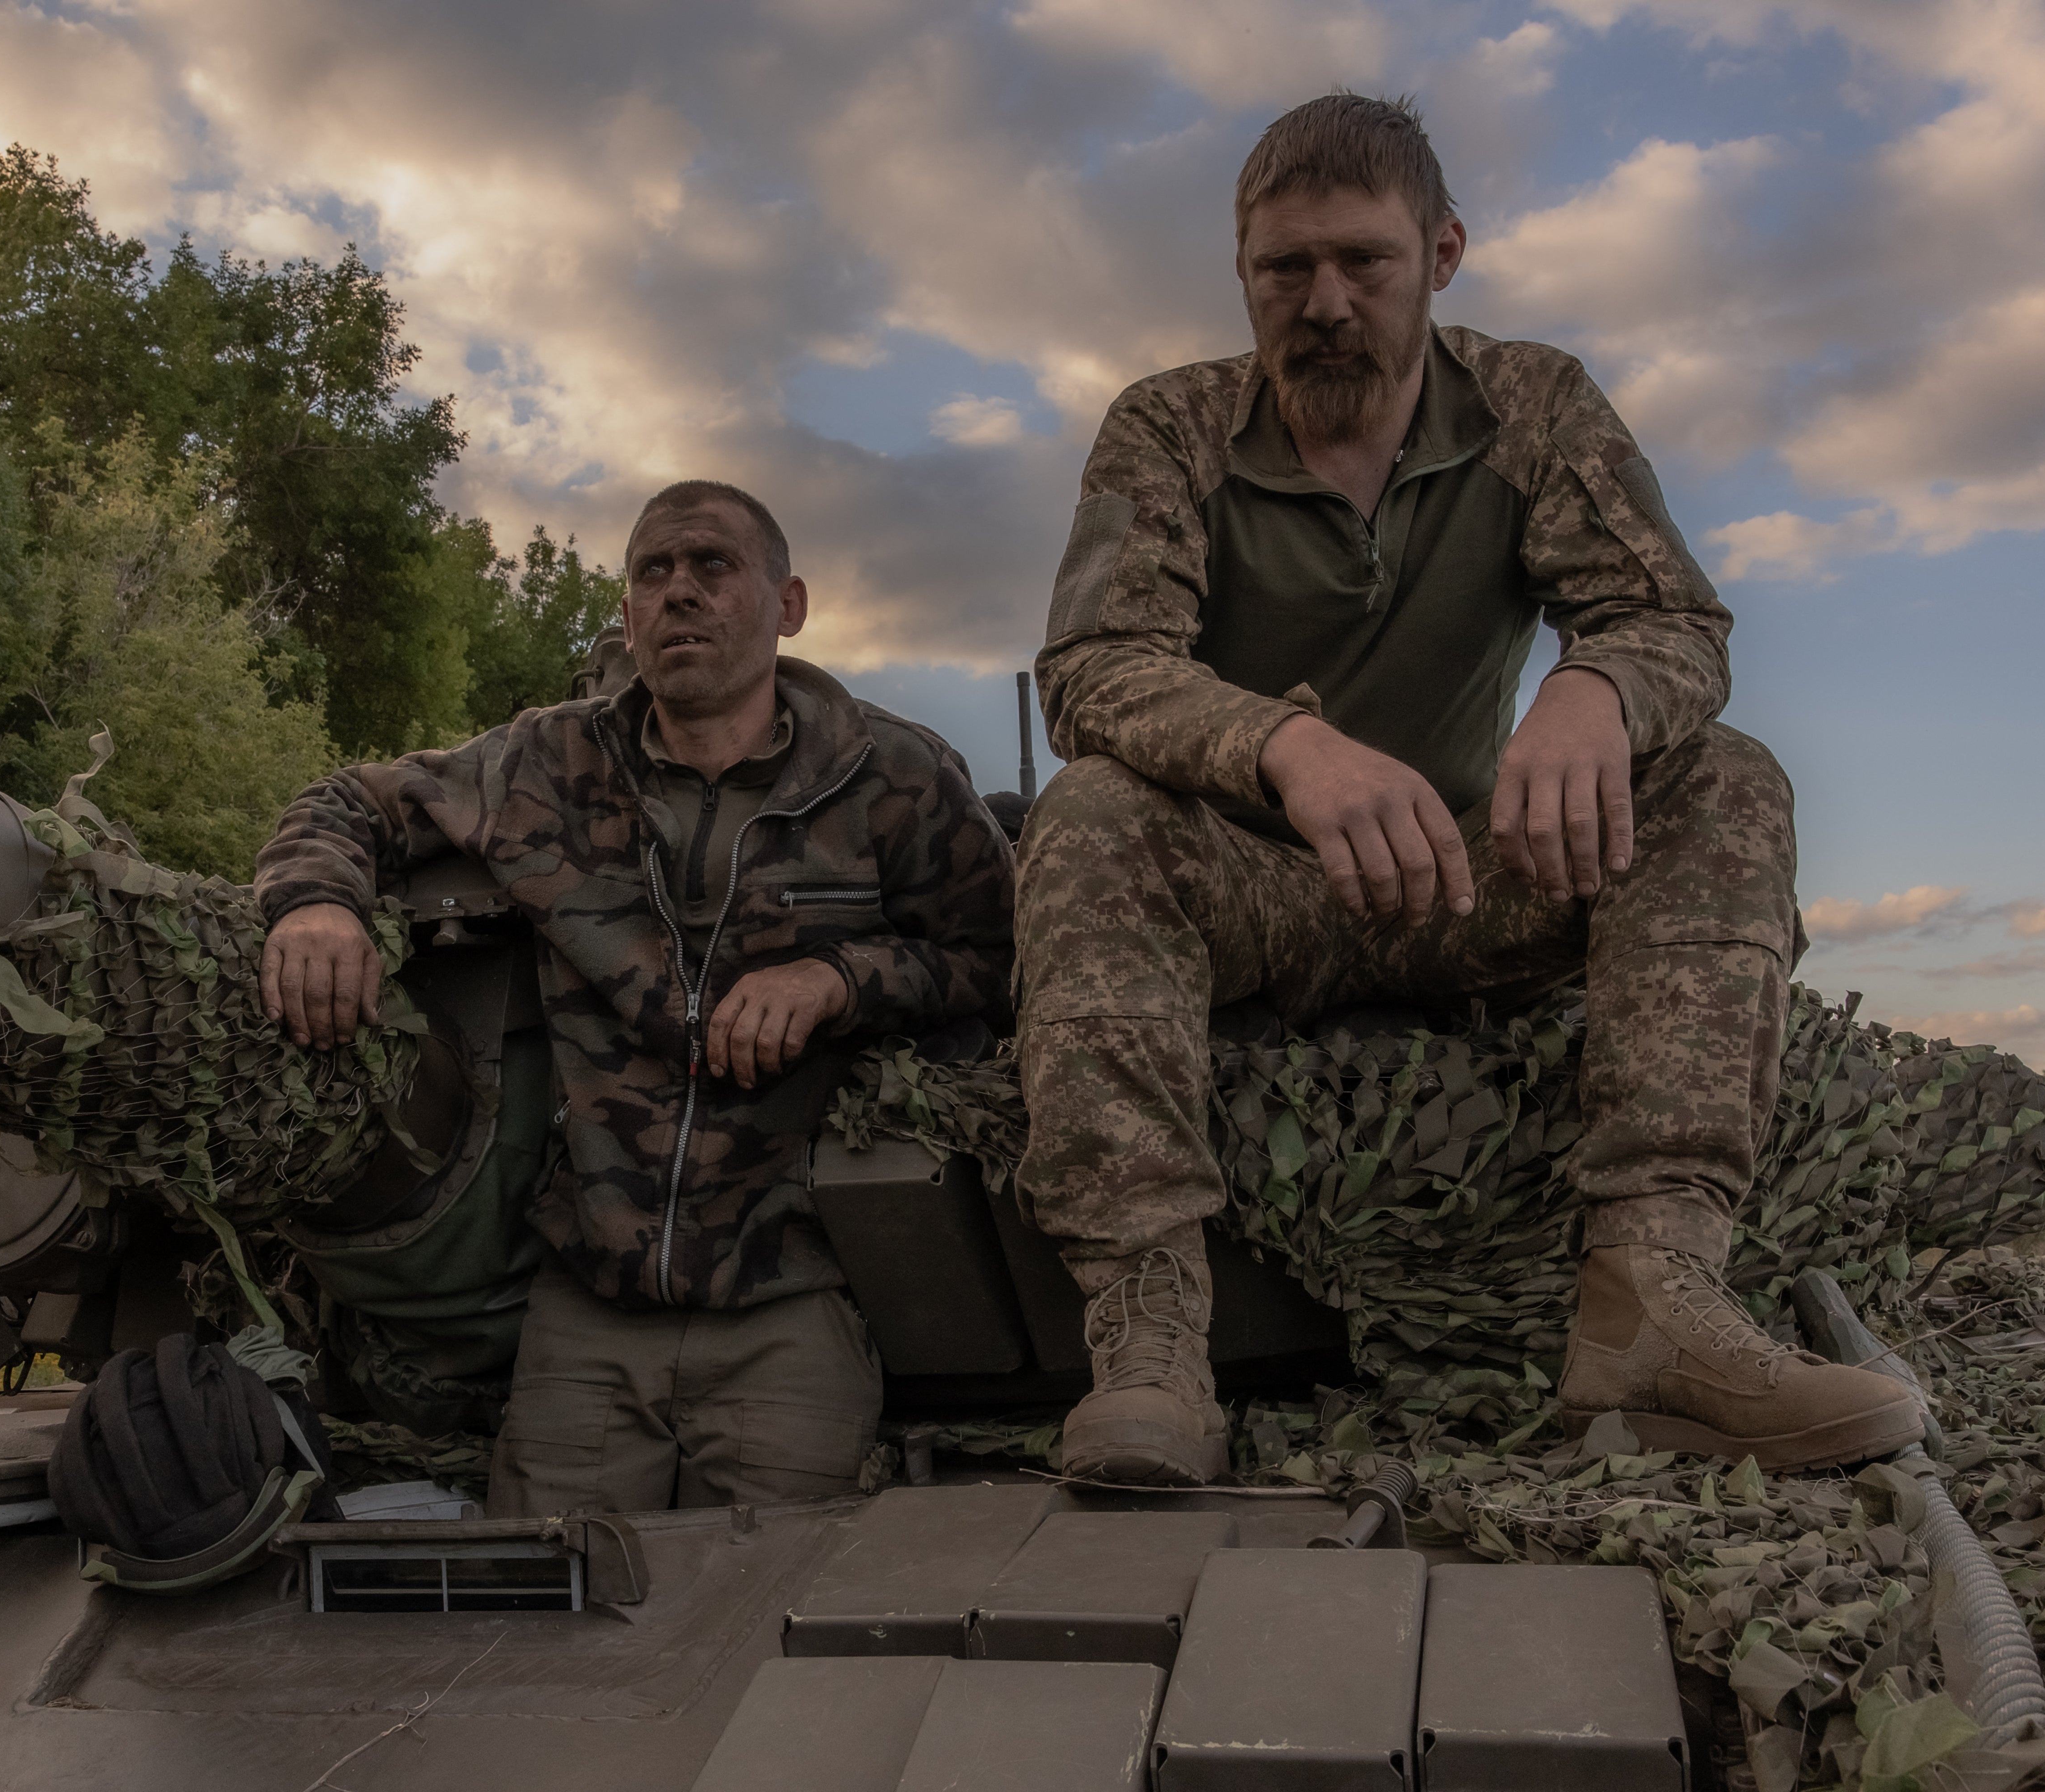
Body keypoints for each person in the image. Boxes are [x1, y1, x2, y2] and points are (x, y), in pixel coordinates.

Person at [1018, 94, 1922, 1485]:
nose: (1322, 302)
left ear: (1440, 253)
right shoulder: (1173, 427)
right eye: (1283, 268)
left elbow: (1673, 622)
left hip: (1466, 879)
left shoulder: (1530, 404)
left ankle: (1652, 1303)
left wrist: (1592, 692)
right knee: (1085, 812)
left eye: (1362, 263)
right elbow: (1093, 664)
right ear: (1241, 271)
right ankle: (1150, 1340)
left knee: (1721, 778)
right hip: (1250, 889)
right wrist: (1284, 746)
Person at [256, 481, 1014, 1514]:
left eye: (712, 566)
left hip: (786, 1302)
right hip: (586, 1308)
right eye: (652, 573)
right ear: (626, 617)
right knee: (546, 1630)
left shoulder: (892, 776)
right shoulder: (549, 762)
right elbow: (355, 799)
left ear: (786, 605)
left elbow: (997, 955)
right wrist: (315, 907)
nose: (679, 593)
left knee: (775, 1623)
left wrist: (838, 977)